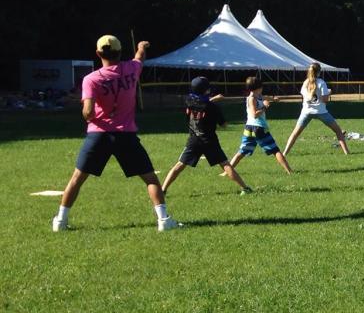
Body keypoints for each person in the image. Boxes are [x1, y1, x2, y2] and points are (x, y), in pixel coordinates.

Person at [52, 36, 180, 232]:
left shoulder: (91, 79)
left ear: (98, 54)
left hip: (98, 134)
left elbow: (88, 111)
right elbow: (139, 58)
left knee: (77, 178)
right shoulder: (131, 69)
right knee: (150, 179)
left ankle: (60, 221)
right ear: (120, 53)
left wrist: (89, 113)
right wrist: (141, 47)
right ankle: (163, 220)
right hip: (125, 135)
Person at [161, 76, 251, 196]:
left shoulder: (189, 101)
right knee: (225, 164)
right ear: (206, 90)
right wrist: (216, 104)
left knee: (180, 164)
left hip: (194, 140)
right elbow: (223, 124)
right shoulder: (213, 108)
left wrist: (213, 100)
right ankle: (244, 188)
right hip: (210, 141)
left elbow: (201, 103)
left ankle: (163, 189)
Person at [228, 76, 294, 175]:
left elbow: (265, 97)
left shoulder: (258, 96)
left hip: (249, 128)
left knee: (242, 151)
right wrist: (265, 106)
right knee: (275, 150)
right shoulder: (252, 99)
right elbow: (254, 114)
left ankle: (227, 171)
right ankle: (290, 171)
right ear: (259, 88)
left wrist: (273, 99)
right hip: (258, 128)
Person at [282, 63, 350, 157]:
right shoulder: (321, 82)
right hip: (321, 112)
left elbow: (305, 96)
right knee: (338, 131)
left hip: (306, 111)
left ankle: (284, 153)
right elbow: (325, 100)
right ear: (319, 72)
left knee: (295, 133)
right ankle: (347, 152)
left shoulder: (306, 82)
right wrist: (329, 93)